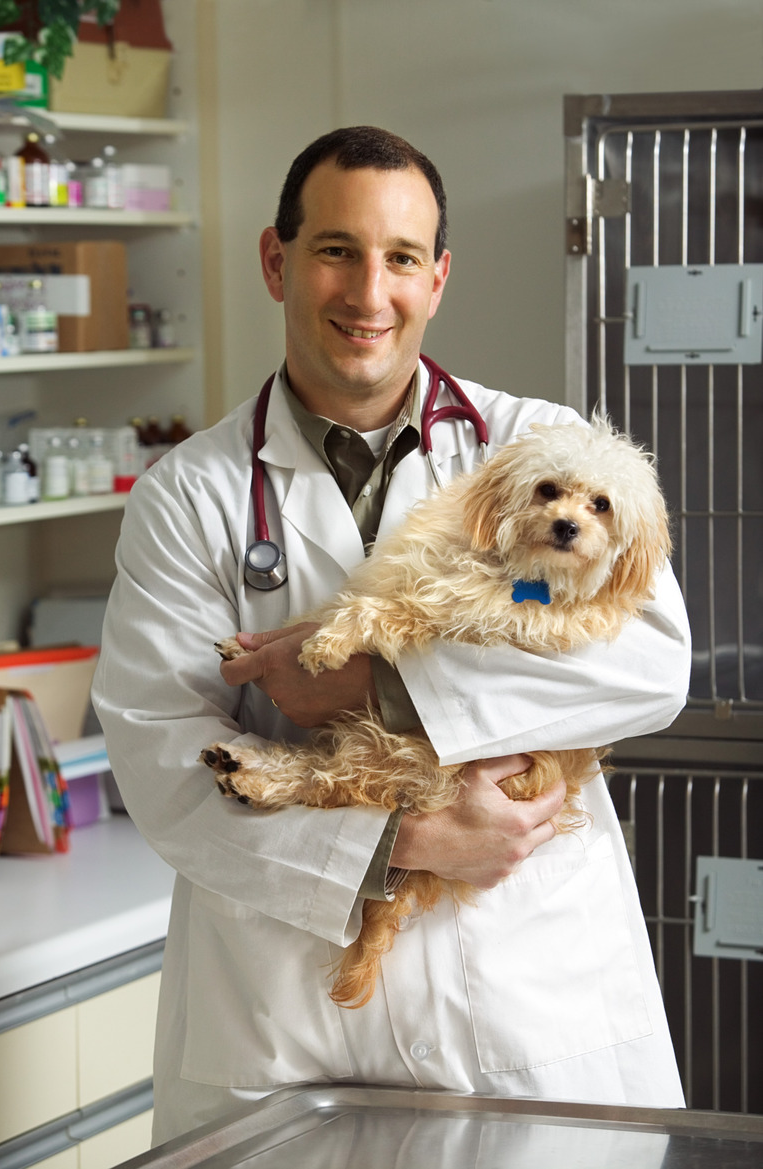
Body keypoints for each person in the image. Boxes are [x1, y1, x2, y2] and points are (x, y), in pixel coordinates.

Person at [92, 126, 692, 1146]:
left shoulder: (538, 451)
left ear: (438, 276)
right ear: (278, 260)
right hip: (295, 1029)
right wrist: (398, 839)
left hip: (527, 1011)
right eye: (336, 250)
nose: (370, 293)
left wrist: (382, 681)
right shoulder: (187, 497)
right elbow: (165, 762)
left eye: (402, 257)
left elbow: (647, 660)